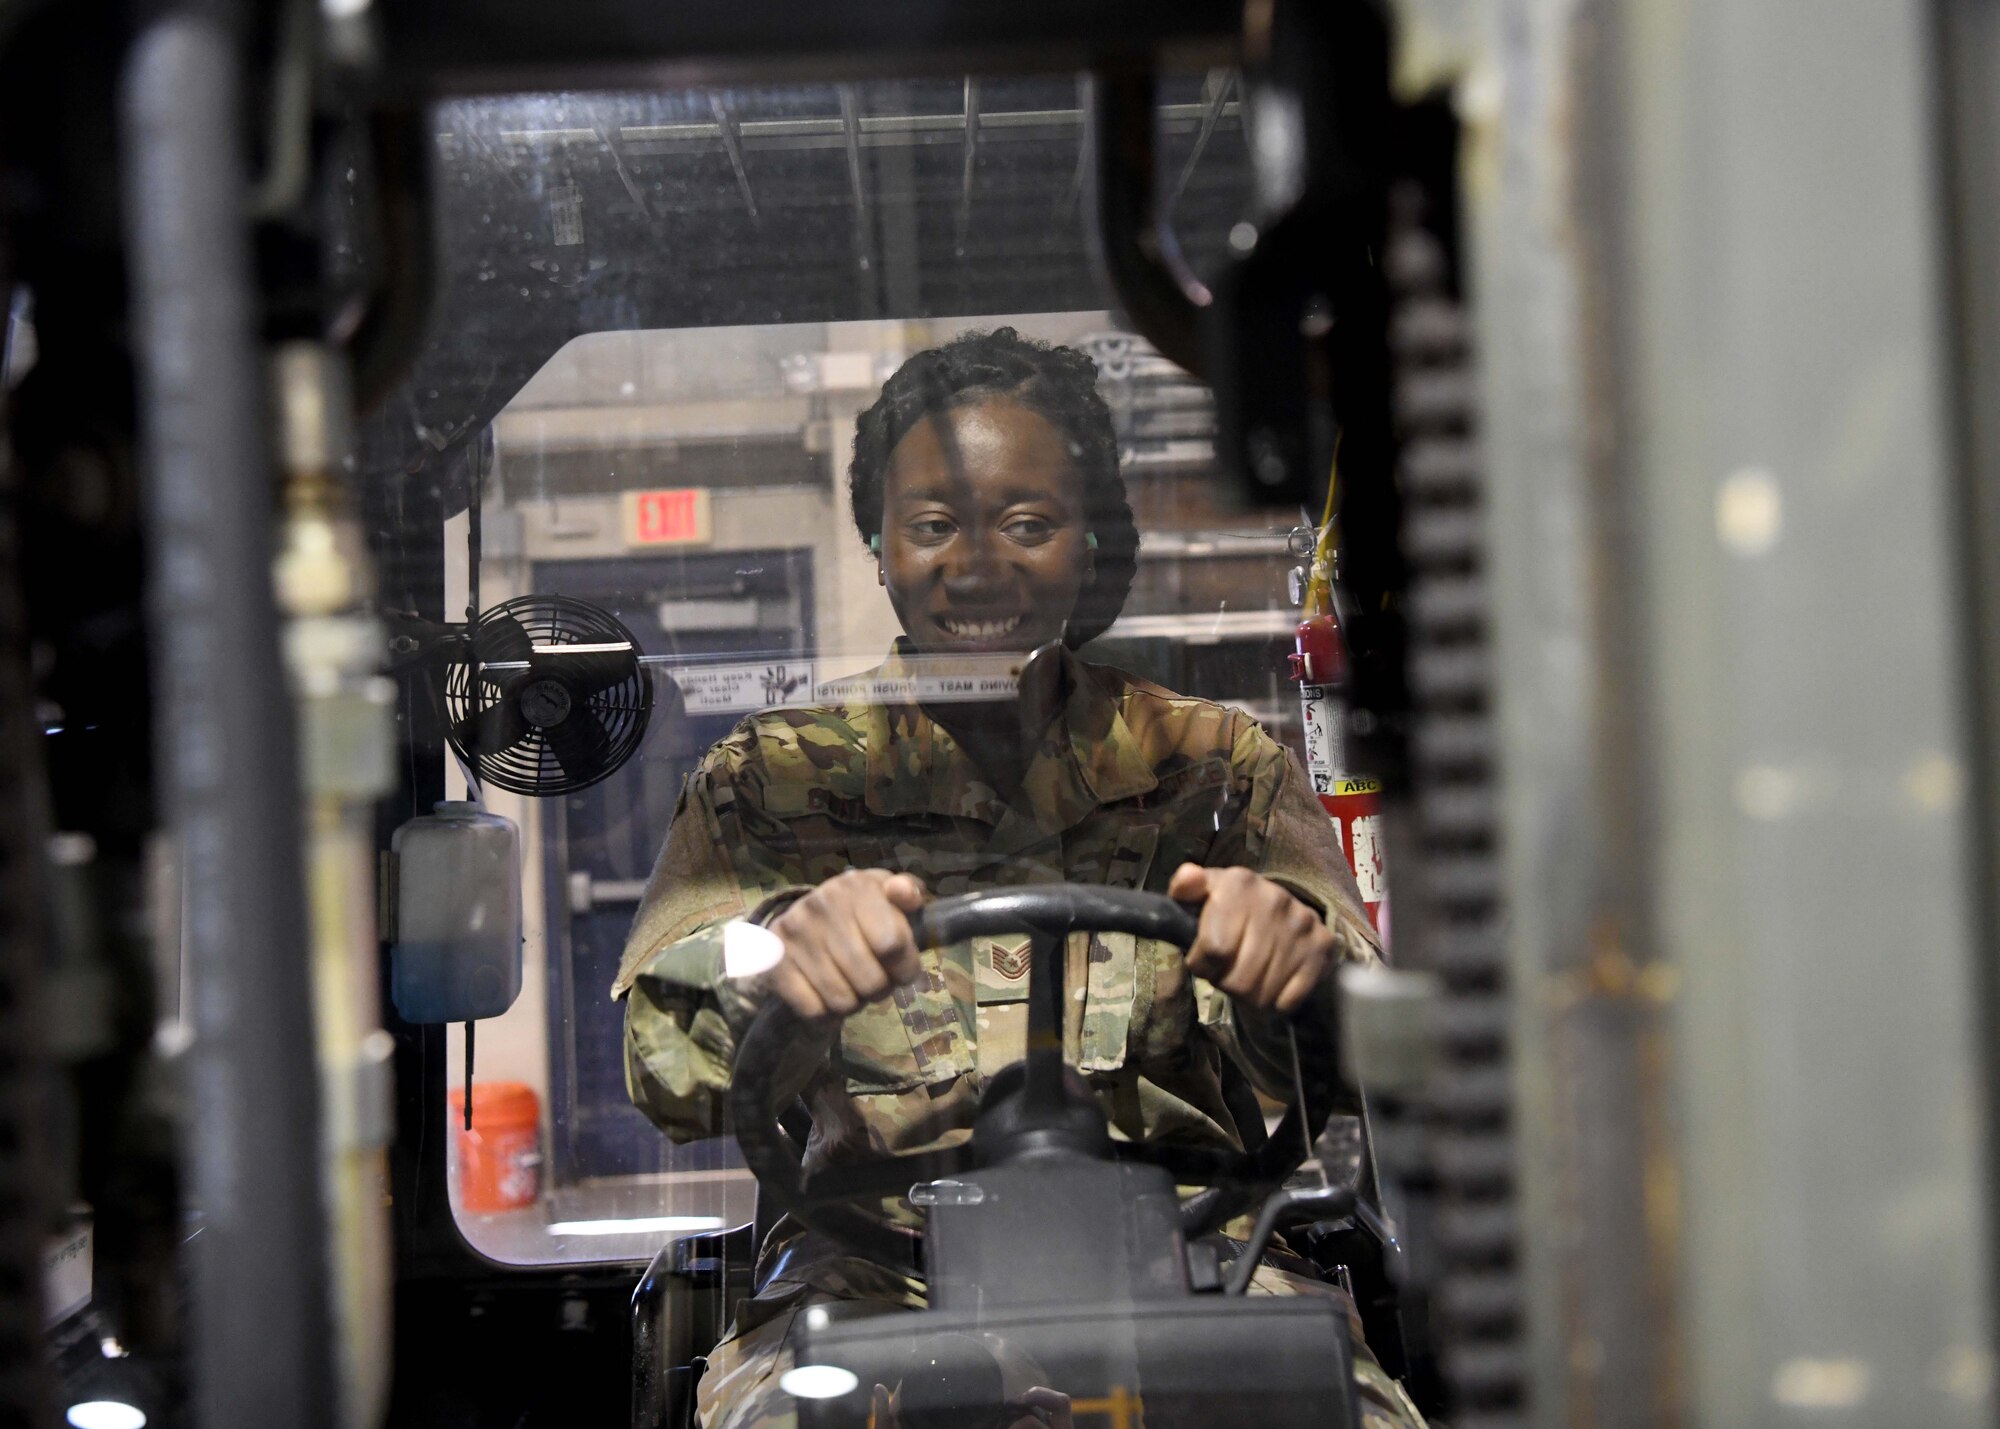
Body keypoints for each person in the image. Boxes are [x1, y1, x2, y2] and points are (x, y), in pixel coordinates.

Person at [613, 328, 1426, 1429]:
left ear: (1086, 542)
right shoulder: (768, 782)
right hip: (875, 1274)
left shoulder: (1212, 766)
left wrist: (1289, 960)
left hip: (1188, 1258)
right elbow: (661, 1063)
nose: (979, 563)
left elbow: (1382, 1045)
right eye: (934, 526)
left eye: (1026, 523)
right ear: (878, 541)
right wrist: (777, 962)